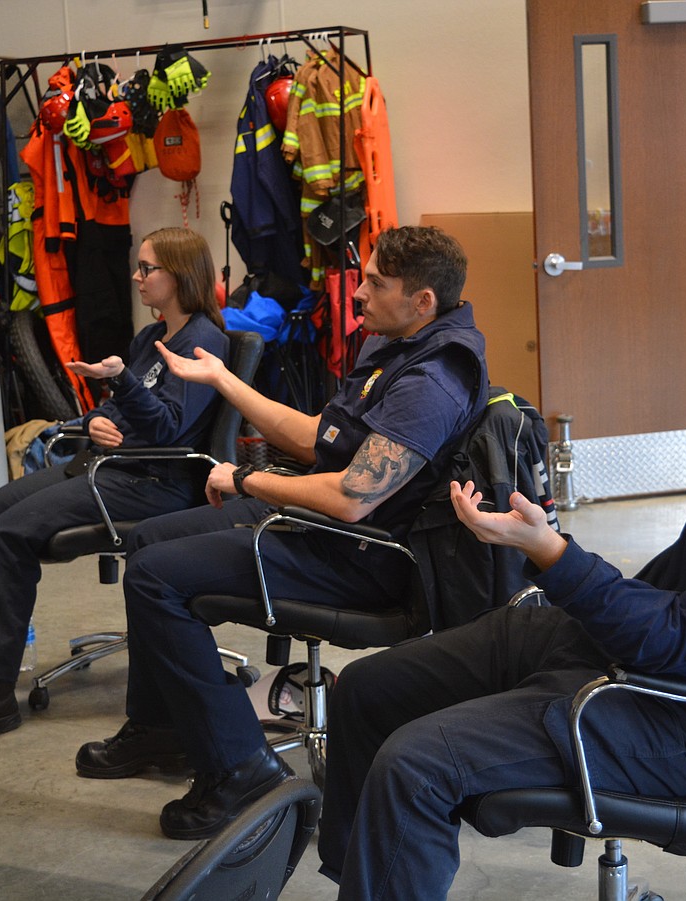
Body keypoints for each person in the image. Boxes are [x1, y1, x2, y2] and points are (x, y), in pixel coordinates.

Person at [316, 282, 686, 900]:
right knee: (365, 689)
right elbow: (666, 592)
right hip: (611, 654)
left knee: (417, 765)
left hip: (680, 720)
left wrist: (553, 554)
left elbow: (673, 639)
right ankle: (361, 884)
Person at [73, 225, 489, 841]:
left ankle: (239, 769)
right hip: (326, 529)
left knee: (156, 577)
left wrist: (247, 481)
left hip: (362, 557)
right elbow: (316, 434)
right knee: (149, 540)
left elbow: (352, 497)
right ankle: (162, 728)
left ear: (423, 300)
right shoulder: (402, 346)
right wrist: (221, 380)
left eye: (375, 283)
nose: (358, 292)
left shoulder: (433, 381)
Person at [0, 227, 230, 748]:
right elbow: (118, 413)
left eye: (146, 268)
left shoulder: (206, 342)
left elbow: (166, 429)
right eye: (138, 266)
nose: (136, 277)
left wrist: (122, 382)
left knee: (6, 536)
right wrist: (95, 420)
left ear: (179, 276)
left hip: (154, 480)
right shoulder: (147, 339)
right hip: (109, 465)